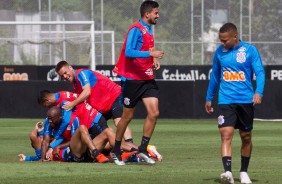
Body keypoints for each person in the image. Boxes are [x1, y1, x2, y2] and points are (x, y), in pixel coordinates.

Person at [205, 23, 265, 184]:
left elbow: (259, 72)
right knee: (226, 135)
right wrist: (209, 98)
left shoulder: (250, 50)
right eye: (221, 40)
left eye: (225, 41)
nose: (222, 44)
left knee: (246, 137)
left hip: (246, 100)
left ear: (235, 37)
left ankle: (244, 172)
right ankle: (228, 172)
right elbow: (215, 77)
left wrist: (259, 91)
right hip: (226, 100)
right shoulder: (219, 52)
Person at [111, 0, 164, 165]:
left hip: (147, 78)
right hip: (132, 80)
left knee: (154, 113)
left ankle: (142, 150)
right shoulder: (135, 28)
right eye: (156, 12)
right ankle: (116, 151)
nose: (158, 15)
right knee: (127, 117)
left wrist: (153, 58)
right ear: (147, 14)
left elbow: (147, 50)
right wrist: (151, 54)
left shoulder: (148, 30)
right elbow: (129, 52)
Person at [55, 61, 134, 143]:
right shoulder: (75, 85)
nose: (65, 76)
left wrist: (72, 104)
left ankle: (132, 149)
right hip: (103, 106)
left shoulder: (81, 74)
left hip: (115, 96)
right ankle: (111, 150)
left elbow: (87, 92)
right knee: (96, 128)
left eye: (65, 73)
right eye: (62, 76)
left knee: (118, 121)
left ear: (70, 68)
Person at [38, 90, 133, 143]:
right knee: (103, 145)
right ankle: (132, 151)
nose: (47, 107)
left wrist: (56, 137)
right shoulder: (61, 95)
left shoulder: (63, 100)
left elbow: (66, 121)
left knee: (108, 143)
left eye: (45, 105)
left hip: (94, 121)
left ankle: (134, 151)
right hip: (89, 123)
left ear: (47, 100)